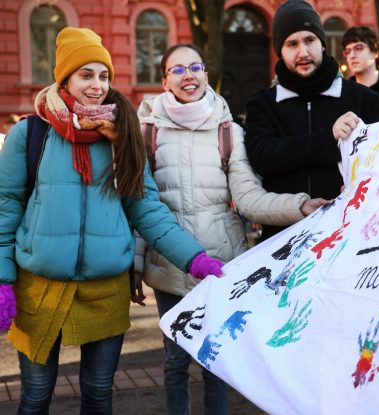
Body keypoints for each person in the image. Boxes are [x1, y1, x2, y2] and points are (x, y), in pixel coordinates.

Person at [0, 27, 224, 414]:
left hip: (105, 292)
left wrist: (195, 259)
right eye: (86, 75)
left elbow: (147, 209)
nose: (97, 86)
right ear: (65, 78)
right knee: (35, 398)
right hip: (38, 288)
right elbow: (6, 207)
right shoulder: (30, 132)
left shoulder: (123, 136)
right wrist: (2, 278)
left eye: (103, 76)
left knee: (99, 395)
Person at [133, 43, 327, 415]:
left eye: (195, 67)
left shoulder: (228, 131)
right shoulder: (146, 132)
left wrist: (299, 205)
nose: (188, 75)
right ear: (164, 80)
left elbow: (249, 198)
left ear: (206, 74)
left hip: (221, 263)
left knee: (215, 360)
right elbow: (141, 207)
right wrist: (137, 265)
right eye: (178, 69)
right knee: (175, 361)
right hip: (167, 267)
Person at [244, 0, 379, 241]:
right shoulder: (263, 104)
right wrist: (327, 138)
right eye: (292, 44)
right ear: (280, 50)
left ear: (322, 43)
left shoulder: (365, 100)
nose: (303, 52)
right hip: (281, 241)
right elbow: (263, 158)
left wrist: (361, 185)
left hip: (350, 237)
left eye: (309, 40)